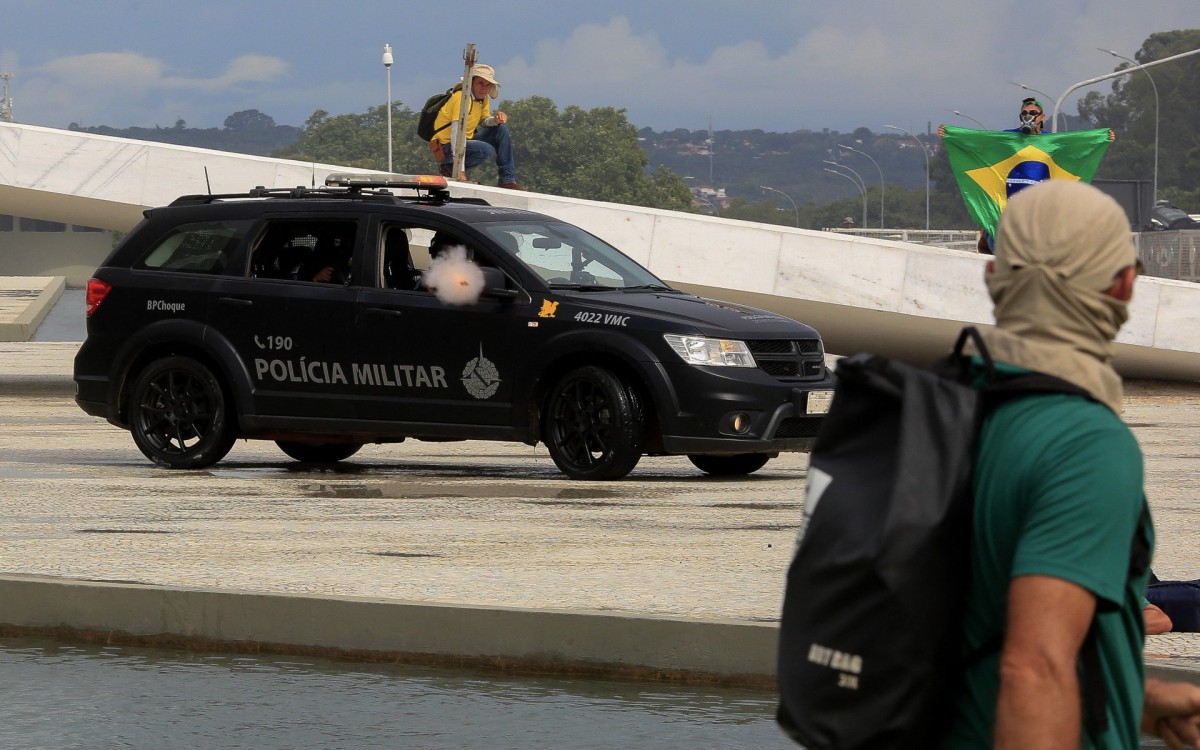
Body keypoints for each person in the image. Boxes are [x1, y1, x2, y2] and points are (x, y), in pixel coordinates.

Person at [939, 180, 1200, 749]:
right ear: (1125, 285)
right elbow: (1033, 669)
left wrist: (1138, 701)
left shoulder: (938, 414)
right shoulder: (1083, 442)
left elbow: (977, 631)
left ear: (991, 280)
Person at [428, 63, 523, 190]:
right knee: (485, 149)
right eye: (480, 83)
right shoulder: (461, 98)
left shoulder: (482, 99)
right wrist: (459, 171)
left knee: (501, 130)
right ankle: (449, 167)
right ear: (471, 83)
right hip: (447, 146)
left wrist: (495, 120)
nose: (484, 88)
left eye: (487, 84)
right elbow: (456, 134)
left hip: (466, 140)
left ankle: (507, 180)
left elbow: (484, 121)